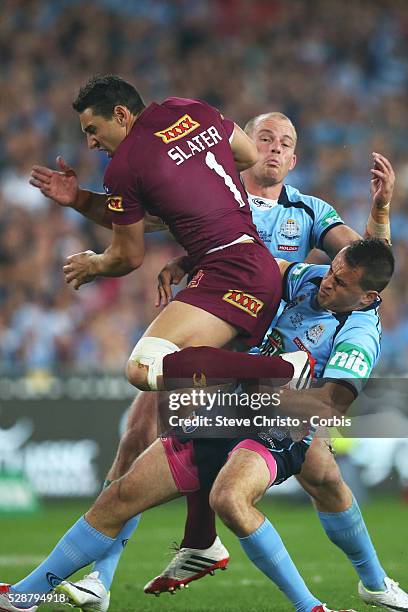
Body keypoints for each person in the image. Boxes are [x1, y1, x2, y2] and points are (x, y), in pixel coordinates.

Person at [30, 109, 400, 610]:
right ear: (243, 143)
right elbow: (136, 215)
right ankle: (105, 576)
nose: (271, 146)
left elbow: (369, 267)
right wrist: (82, 201)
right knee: (138, 440)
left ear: (293, 158)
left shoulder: (311, 212)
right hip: (226, 344)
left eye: (283, 141)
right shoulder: (220, 190)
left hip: (272, 370)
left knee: (324, 477)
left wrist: (380, 212)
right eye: (263, 136)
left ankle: (373, 582)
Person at [0, 239, 396, 612]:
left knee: (230, 499)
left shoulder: (358, 335)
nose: (327, 281)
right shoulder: (313, 278)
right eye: (332, 270)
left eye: (339, 281)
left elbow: (327, 407)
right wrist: (188, 264)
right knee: (120, 497)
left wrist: (255, 377)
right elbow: (264, 265)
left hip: (279, 430)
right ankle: (25, 595)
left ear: (368, 297)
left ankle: (310, 606)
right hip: (227, 408)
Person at [30, 75, 310, 400]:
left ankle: (283, 371)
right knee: (182, 387)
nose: (91, 143)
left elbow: (127, 256)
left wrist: (93, 265)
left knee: (144, 366)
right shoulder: (189, 109)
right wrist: (80, 199)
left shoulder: (126, 166)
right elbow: (247, 155)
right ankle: (273, 379)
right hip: (255, 266)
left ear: (120, 115)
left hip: (231, 272)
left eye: (92, 130)